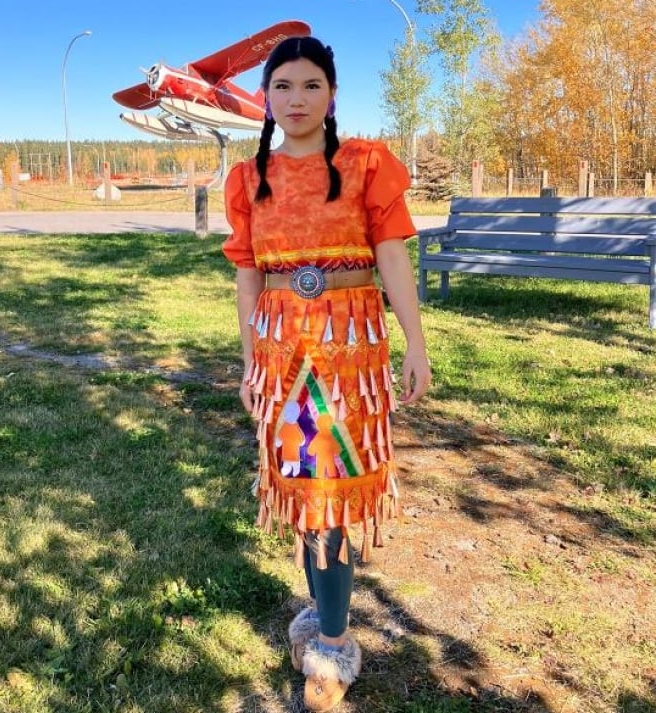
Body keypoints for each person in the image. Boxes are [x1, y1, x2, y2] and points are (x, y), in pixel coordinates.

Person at [222, 35, 431, 711]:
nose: (297, 98)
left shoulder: (367, 165)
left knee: (333, 488)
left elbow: (393, 257)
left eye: (311, 85)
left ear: (333, 93)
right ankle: (322, 611)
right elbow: (248, 275)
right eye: (283, 86)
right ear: (265, 96)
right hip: (284, 350)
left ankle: (335, 641)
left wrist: (415, 343)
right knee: (304, 485)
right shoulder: (247, 178)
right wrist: (253, 357)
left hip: (350, 355)